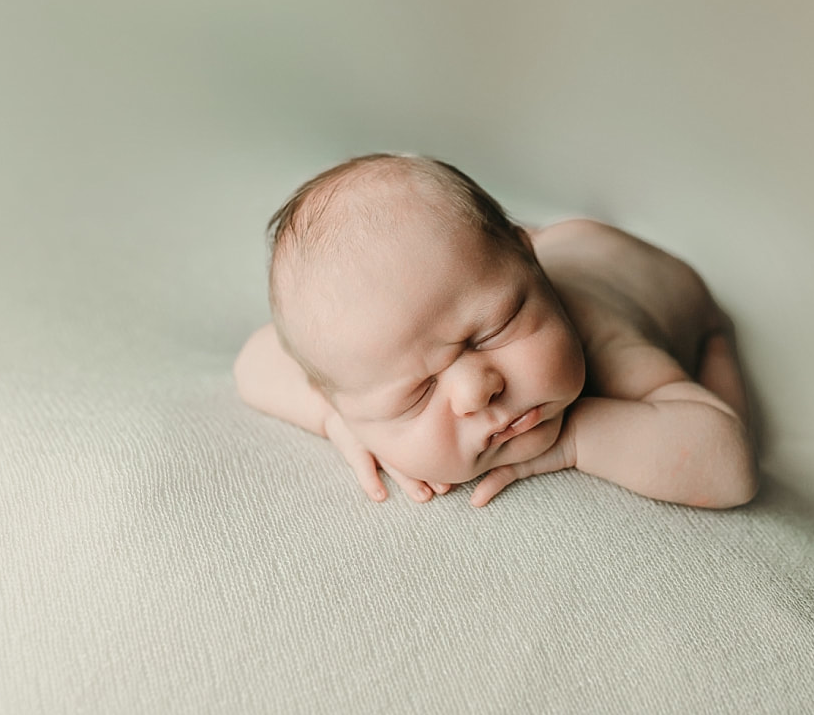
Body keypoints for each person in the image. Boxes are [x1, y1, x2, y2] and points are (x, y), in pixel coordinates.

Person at [234, 153, 758, 508]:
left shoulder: (604, 337)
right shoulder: (363, 369)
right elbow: (253, 363)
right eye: (415, 396)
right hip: (524, 249)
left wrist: (574, 438)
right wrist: (339, 420)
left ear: (534, 273)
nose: (475, 390)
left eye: (491, 332)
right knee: (464, 276)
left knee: (740, 417)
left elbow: (730, 468)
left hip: (661, 284)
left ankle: (708, 331)